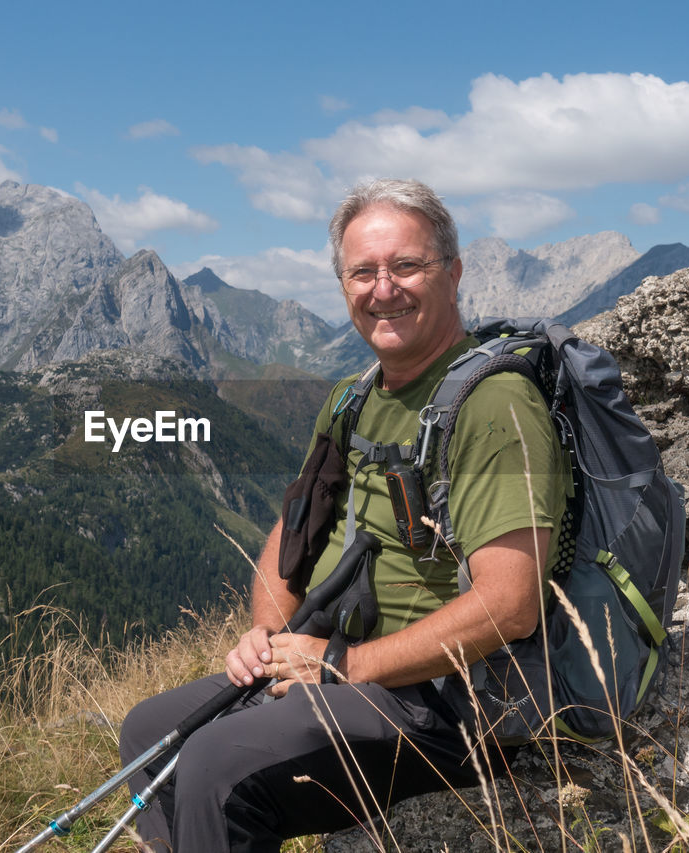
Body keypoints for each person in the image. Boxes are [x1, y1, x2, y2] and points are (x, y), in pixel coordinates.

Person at [119, 178, 569, 852]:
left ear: (453, 273)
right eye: (364, 271)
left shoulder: (495, 404)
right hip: (346, 669)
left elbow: (510, 605)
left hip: (447, 702)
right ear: (344, 285)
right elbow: (293, 531)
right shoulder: (352, 400)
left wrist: (344, 663)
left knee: (215, 764)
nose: (383, 288)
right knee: (149, 732)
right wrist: (266, 637)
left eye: (407, 265)